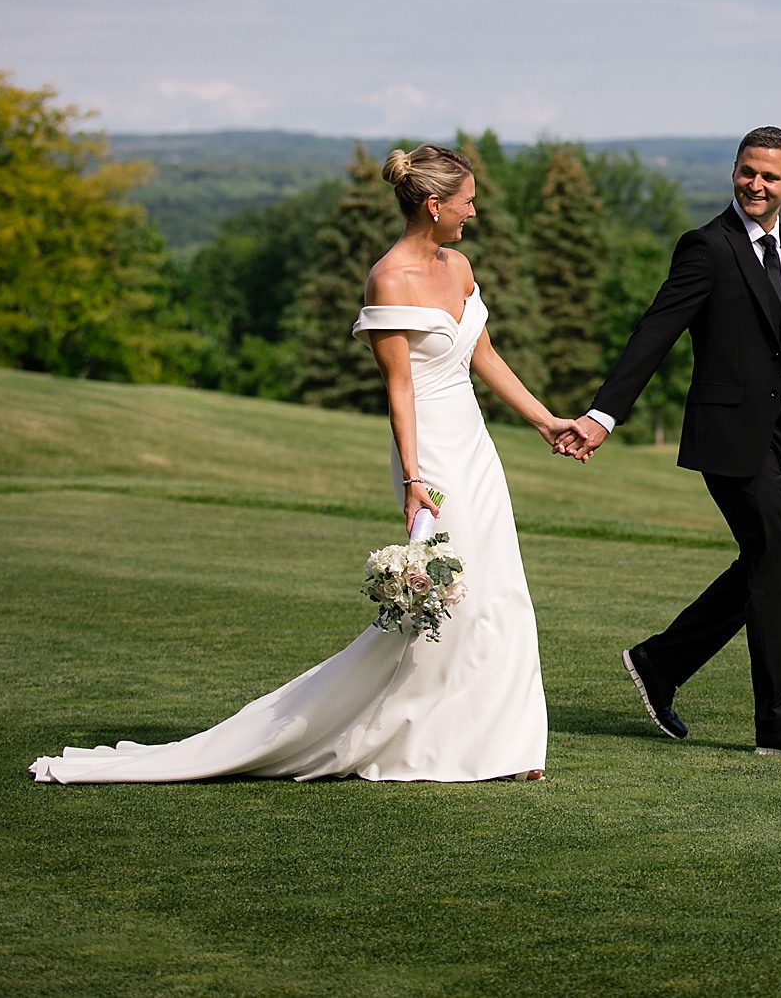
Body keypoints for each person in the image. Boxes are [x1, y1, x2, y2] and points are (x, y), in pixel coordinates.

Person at [30, 145, 569, 785]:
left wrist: (544, 421)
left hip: (475, 445)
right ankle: (412, 737)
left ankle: (500, 743)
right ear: (433, 205)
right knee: (451, 593)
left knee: (499, 587)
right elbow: (399, 390)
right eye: (467, 202)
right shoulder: (388, 280)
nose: (472, 213)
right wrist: (413, 479)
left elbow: (483, 354)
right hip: (430, 452)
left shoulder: (460, 265)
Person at [557, 126, 781, 760]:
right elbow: (656, 330)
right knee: (775, 558)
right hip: (727, 437)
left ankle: (661, 661)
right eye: (745, 172)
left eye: (768, 176)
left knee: (769, 561)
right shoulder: (706, 246)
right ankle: (777, 722)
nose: (754, 185)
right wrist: (602, 416)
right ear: (734, 172)